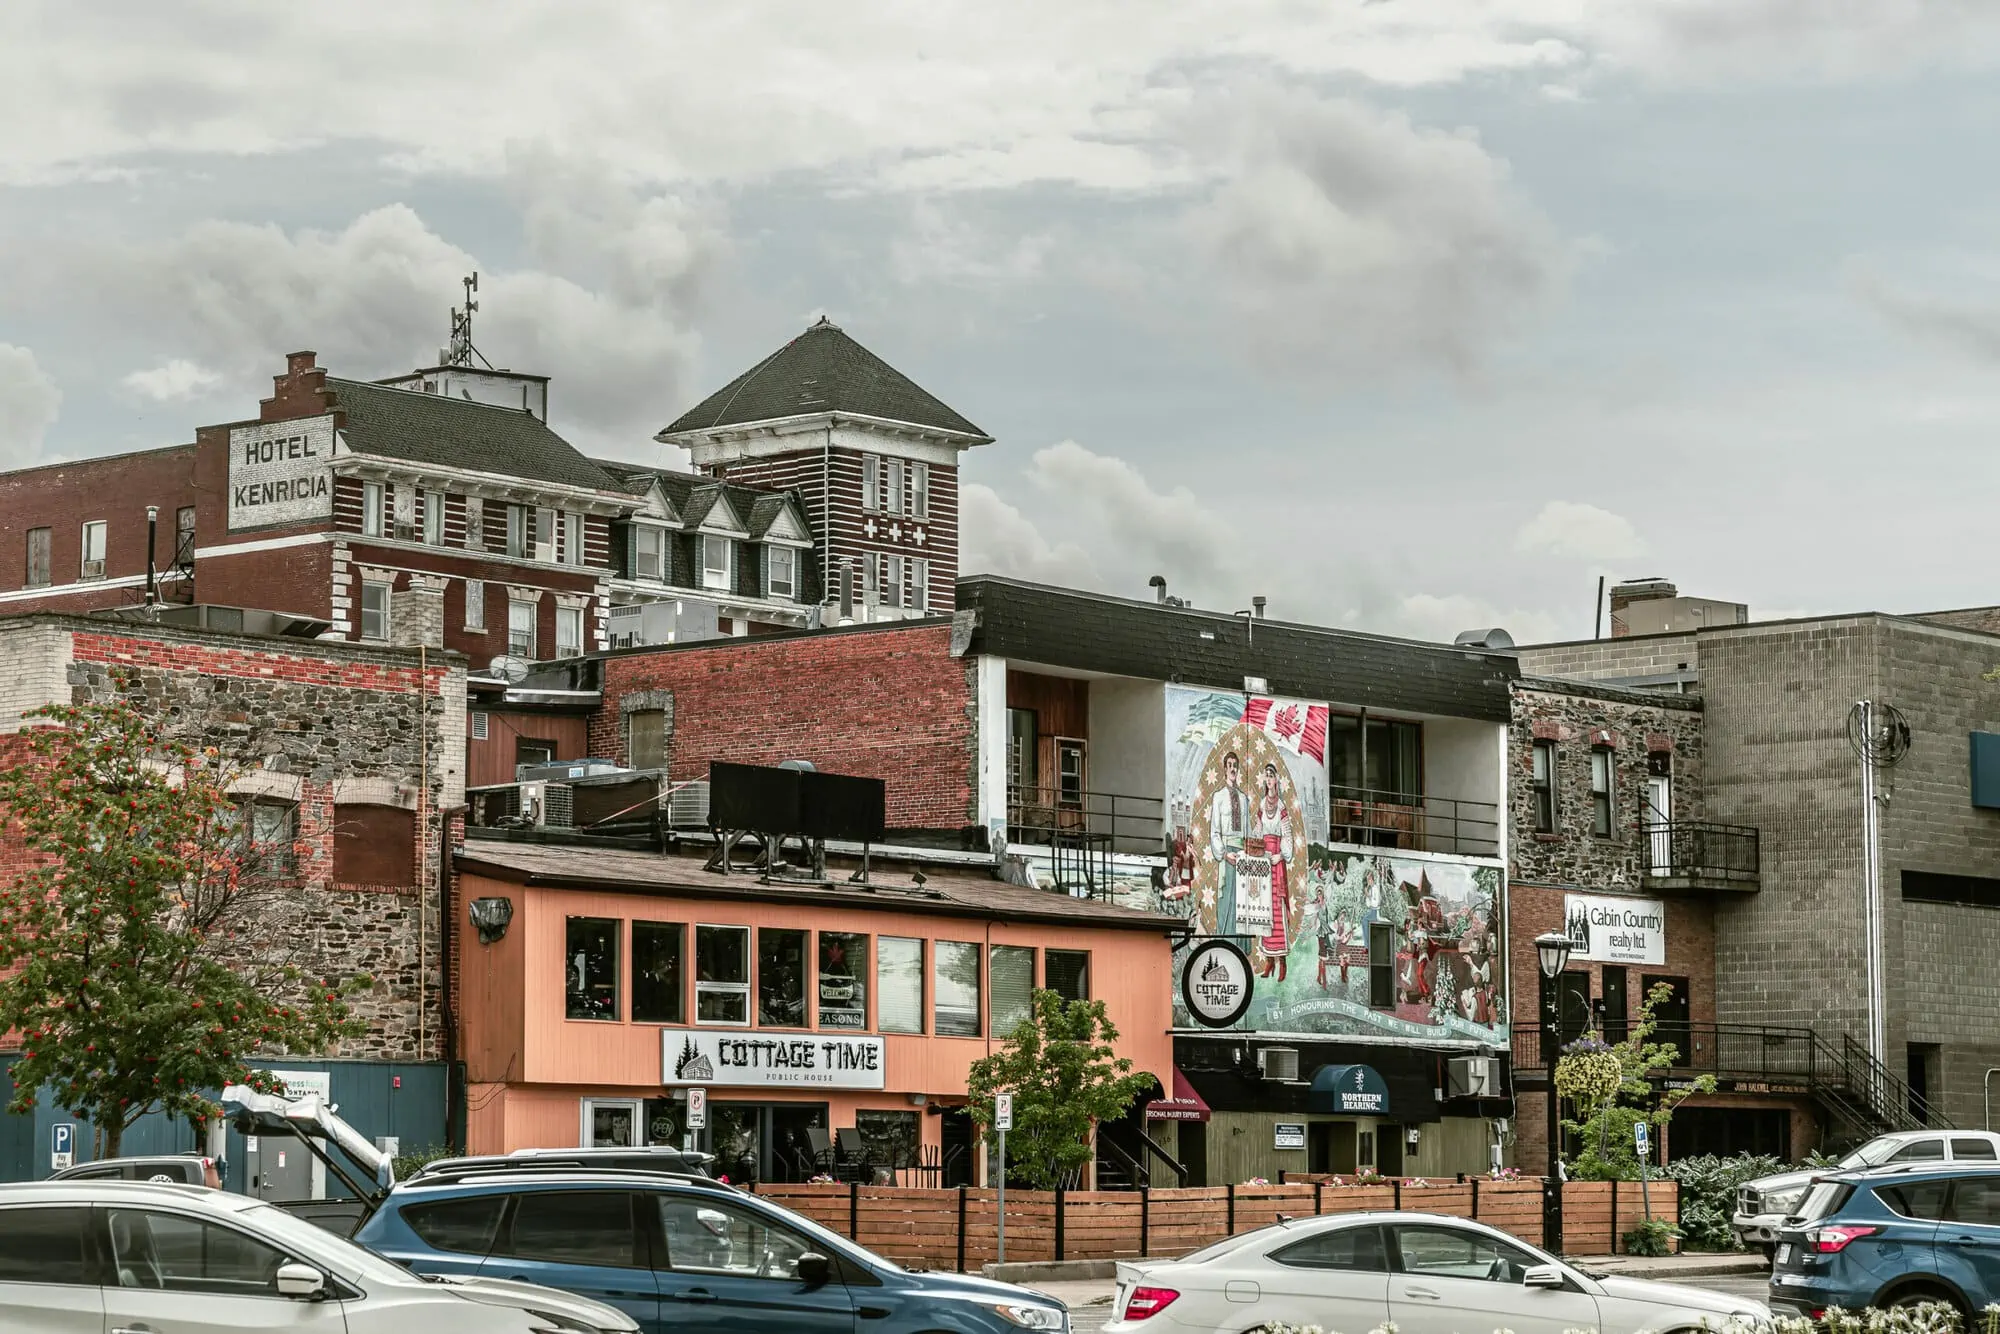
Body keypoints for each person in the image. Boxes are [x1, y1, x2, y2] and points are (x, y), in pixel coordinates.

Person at [1250, 762, 1294, 979]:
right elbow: (1258, 829)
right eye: (1266, 776)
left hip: (1276, 861)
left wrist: (1281, 855)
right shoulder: (1261, 803)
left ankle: (1282, 962)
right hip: (1264, 861)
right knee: (1264, 909)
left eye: (1271, 776)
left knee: (1277, 909)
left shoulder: (1282, 807)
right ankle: (1269, 962)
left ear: (1277, 780)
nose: (1269, 780)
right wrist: (1256, 846)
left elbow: (1287, 834)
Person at [1204, 751, 1249, 937]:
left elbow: (1248, 831)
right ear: (1224, 769)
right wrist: (1224, 854)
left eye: (1235, 765)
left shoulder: (1244, 799)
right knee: (1226, 901)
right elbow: (1214, 831)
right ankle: (1224, 941)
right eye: (1229, 764)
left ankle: (1239, 945)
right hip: (1227, 855)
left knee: (1242, 901)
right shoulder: (1218, 797)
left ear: (1238, 770)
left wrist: (1248, 853)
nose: (1232, 768)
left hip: (1242, 856)